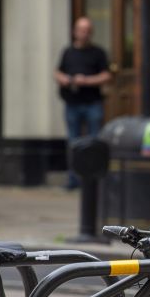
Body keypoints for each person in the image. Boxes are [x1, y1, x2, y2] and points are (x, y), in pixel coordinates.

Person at [55, 17, 111, 189]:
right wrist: (65, 79)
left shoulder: (98, 53)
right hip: (72, 103)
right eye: (81, 30)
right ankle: (73, 180)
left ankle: (94, 179)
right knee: (73, 142)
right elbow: (57, 72)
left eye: (87, 30)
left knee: (94, 141)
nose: (84, 33)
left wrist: (85, 80)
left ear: (91, 33)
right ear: (75, 32)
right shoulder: (68, 52)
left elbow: (107, 76)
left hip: (92, 102)